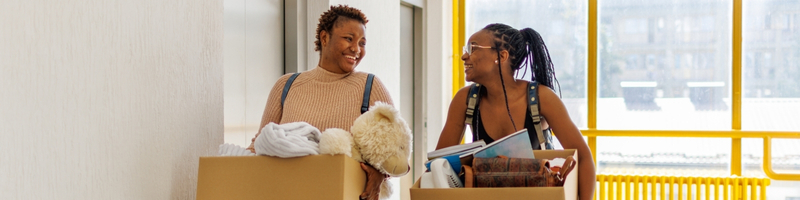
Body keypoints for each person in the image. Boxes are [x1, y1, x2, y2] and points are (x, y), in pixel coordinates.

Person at [245, 5, 391, 200]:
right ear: (324, 38)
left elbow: (399, 153)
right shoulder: (287, 85)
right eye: (349, 39)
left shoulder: (370, 86)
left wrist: (381, 173)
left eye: (362, 43)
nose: (356, 49)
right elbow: (259, 145)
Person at [435, 23, 596, 200]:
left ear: (501, 56)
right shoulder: (465, 100)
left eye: (473, 48)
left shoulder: (541, 98)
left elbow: (583, 157)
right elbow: (438, 164)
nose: (464, 56)